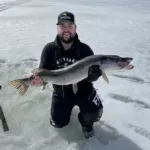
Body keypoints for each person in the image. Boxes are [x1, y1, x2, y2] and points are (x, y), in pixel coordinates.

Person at [30, 11, 103, 138]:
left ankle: (86, 123)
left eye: (70, 26)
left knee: (95, 113)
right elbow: (42, 71)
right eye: (63, 26)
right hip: (61, 92)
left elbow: (93, 76)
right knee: (58, 123)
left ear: (75, 28)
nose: (66, 30)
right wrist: (37, 80)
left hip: (83, 90)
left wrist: (93, 76)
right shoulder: (49, 49)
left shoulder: (85, 49)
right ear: (57, 28)